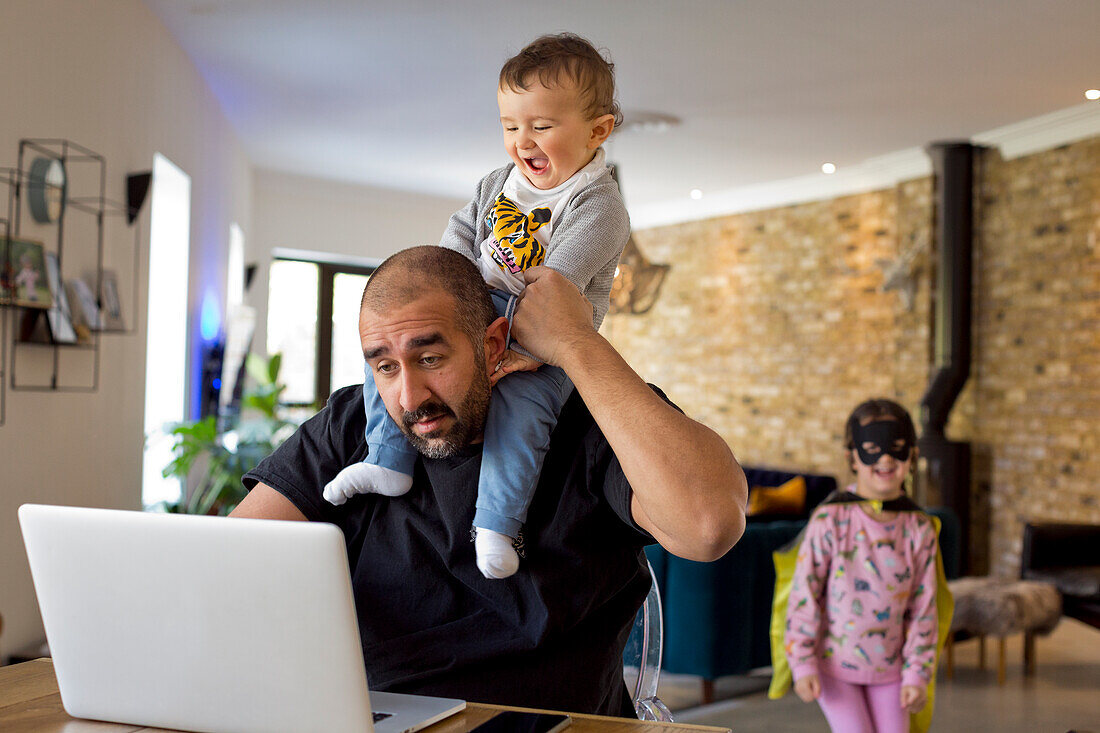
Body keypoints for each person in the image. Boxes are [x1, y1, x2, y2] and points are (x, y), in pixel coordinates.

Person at [231, 245, 746, 716]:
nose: (409, 398)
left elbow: (707, 526)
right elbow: (232, 561)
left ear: (494, 341)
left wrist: (573, 340)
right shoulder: (352, 425)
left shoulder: (592, 422)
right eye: (385, 367)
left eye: (430, 359)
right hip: (376, 719)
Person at [322, 32, 631, 581]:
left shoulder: (597, 204)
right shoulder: (498, 183)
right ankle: (387, 459)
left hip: (545, 335)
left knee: (521, 410)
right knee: (395, 357)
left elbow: (554, 288)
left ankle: (496, 522)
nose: (522, 142)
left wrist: (520, 350)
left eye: (541, 127)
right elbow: (460, 237)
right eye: (511, 127)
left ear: (597, 130)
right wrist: (441, 289)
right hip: (475, 311)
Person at [768, 399, 953, 733]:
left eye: (895, 448)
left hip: (891, 671)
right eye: (871, 447)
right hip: (834, 668)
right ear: (852, 456)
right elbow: (804, 593)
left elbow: (923, 609)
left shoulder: (919, 528)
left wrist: (917, 674)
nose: (884, 458)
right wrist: (802, 662)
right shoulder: (831, 520)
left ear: (911, 456)